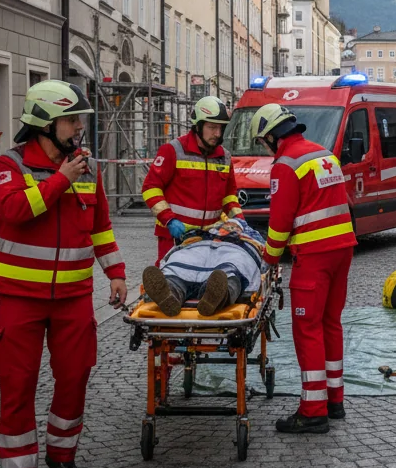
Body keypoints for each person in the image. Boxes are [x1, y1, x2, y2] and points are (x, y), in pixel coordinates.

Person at [0, 81, 127, 468]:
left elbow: (101, 225)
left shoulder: (87, 168)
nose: (78, 128)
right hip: (19, 299)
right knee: (17, 386)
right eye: (71, 121)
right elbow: (13, 212)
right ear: (45, 124)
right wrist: (60, 182)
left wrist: (117, 273)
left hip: (73, 298)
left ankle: (61, 456)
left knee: (74, 379)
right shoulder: (9, 165)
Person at [251, 103, 357, 434]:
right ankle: (334, 400)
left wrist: (267, 261)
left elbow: (280, 225)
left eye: (262, 142)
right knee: (330, 323)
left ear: (271, 136)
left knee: (307, 328)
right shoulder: (324, 155)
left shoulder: (286, 165)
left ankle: (313, 410)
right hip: (343, 250)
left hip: (314, 256)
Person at [141, 96, 242, 264]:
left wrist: (239, 221)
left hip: (210, 238)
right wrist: (169, 219)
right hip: (174, 237)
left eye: (220, 128)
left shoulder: (224, 157)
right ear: (198, 126)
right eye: (212, 127)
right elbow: (151, 188)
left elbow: (229, 196)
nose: (217, 134)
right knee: (172, 282)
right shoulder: (173, 150)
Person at [142, 218, 267, 316]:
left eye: (233, 226)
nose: (228, 227)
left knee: (233, 268)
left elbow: (259, 247)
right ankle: (168, 295)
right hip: (198, 248)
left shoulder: (249, 236)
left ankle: (214, 296)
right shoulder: (205, 230)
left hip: (233, 250)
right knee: (180, 264)